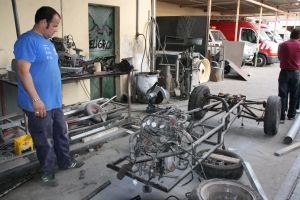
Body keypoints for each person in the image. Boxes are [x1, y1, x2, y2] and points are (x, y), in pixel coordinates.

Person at [14, 6, 84, 186]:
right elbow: (23, 71)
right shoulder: (27, 41)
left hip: (54, 102)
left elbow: (49, 71)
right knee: (44, 139)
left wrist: (58, 97)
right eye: (54, 25)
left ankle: (65, 162)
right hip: (39, 103)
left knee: (61, 134)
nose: (55, 29)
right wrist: (36, 100)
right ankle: (47, 171)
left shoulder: (49, 43)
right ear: (43, 22)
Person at [278, 28, 300, 123]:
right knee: (294, 94)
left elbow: (279, 57)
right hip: (295, 73)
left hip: (284, 72)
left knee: (282, 94)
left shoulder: (282, 45)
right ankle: (291, 115)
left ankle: (282, 116)